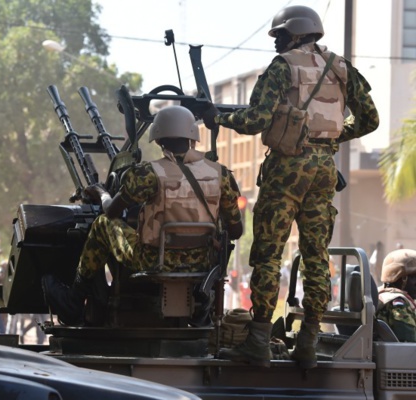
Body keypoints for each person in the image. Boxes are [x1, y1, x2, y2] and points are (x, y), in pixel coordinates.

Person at [202, 5, 379, 368]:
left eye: (280, 35)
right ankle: (309, 343)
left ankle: (258, 341)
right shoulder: (342, 67)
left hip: (286, 170)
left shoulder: (283, 67)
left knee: (268, 255)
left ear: (295, 33)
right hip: (323, 169)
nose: (277, 43)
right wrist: (327, 138)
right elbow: (370, 119)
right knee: (317, 257)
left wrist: (217, 117)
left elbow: (255, 120)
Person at [42, 105, 244, 326]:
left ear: (157, 140)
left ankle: (74, 300)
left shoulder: (148, 173)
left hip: (152, 261)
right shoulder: (219, 173)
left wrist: (100, 192)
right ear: (193, 138)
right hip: (203, 264)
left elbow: (112, 211)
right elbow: (236, 230)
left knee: (102, 224)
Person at [376, 249, 416, 342]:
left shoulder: (381, 295)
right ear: (401, 278)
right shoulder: (398, 304)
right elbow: (409, 342)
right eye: (414, 277)